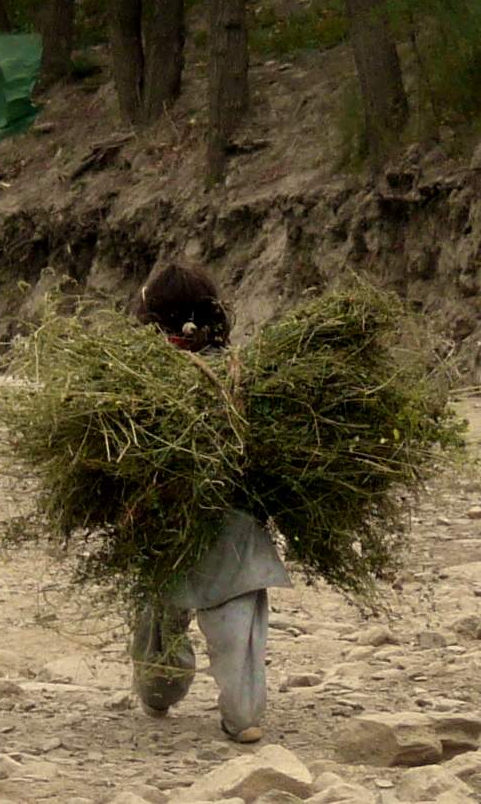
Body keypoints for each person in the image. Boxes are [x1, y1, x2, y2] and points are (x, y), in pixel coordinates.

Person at [127, 261, 291, 744]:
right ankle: (243, 716)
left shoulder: (136, 378)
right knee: (238, 636)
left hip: (164, 524)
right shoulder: (243, 372)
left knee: (159, 628)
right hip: (234, 526)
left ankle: (159, 693)